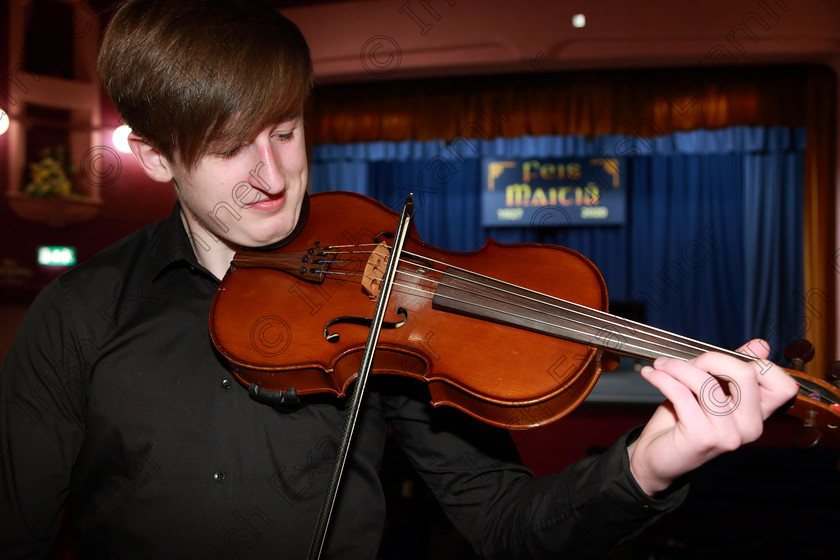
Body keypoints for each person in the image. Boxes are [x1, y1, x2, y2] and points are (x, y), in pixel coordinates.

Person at [0, 1, 799, 558]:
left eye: (285, 128)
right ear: (152, 156)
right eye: (229, 146)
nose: (274, 175)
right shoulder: (81, 314)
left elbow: (511, 527)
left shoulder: (383, 306)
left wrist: (648, 464)